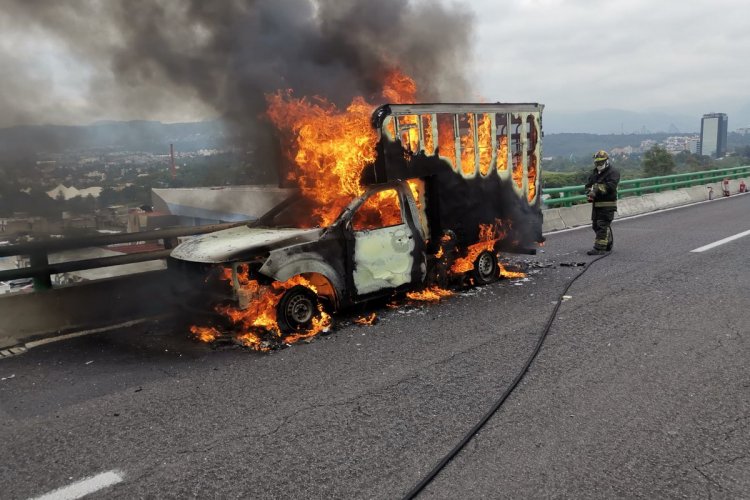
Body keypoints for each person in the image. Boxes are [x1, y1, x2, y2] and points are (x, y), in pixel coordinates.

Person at [584, 150, 620, 255]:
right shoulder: (595, 173)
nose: (598, 165)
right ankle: (607, 243)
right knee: (595, 226)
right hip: (596, 206)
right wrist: (589, 192)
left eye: (600, 162)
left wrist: (596, 190)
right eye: (597, 163)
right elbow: (588, 185)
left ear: (606, 161)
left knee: (602, 225)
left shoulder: (613, 172)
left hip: (608, 205)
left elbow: (611, 186)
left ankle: (599, 248)